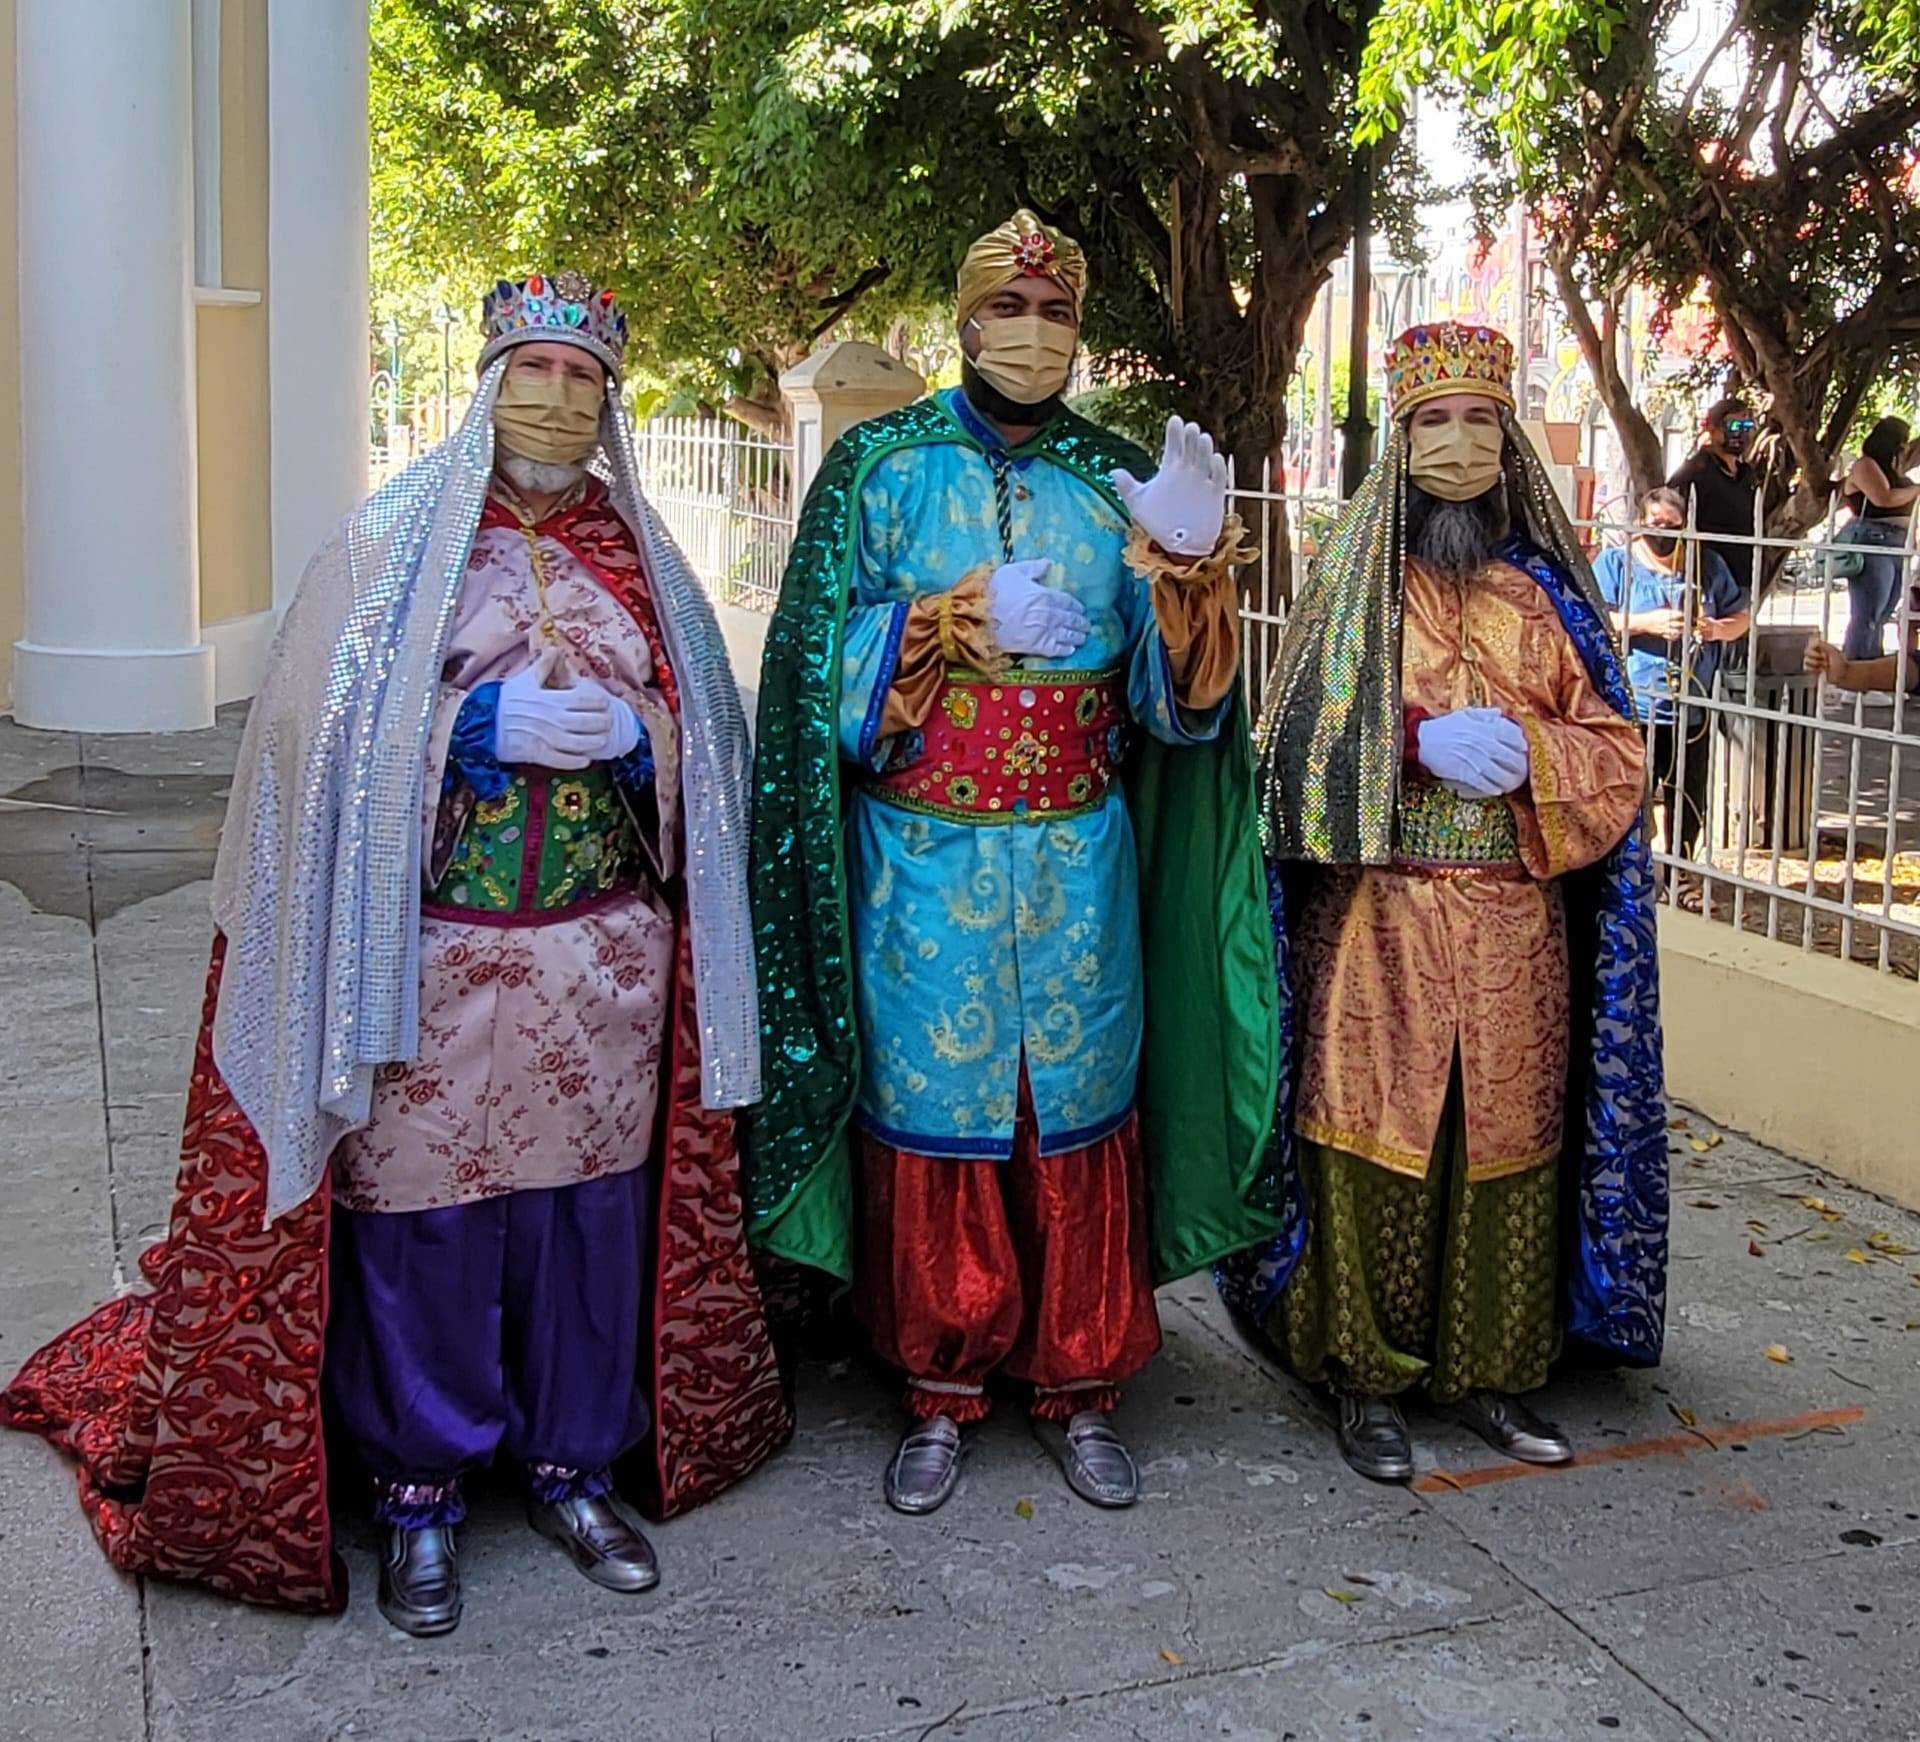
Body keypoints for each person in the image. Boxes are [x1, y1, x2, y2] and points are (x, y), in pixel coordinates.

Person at [1, 272, 792, 1635]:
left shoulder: (645, 568)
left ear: (610, 405)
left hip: (602, 967)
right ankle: (420, 1486)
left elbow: (712, 752)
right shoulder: (388, 548)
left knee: (584, 1230)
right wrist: (460, 736)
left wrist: (644, 744)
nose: (554, 398)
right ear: (488, 384)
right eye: (529, 371)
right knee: (427, 1229)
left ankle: (572, 1459)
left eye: (582, 378)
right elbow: (311, 750)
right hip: (431, 966)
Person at [743, 210, 1284, 1516]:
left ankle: (1079, 1380)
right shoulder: (877, 467)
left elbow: (1177, 715)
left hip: (1079, 858)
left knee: (1071, 1109)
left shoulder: (1114, 477)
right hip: (921, 858)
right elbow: (808, 674)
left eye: (1056, 315)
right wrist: (941, 622)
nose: (1034, 335)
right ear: (966, 323)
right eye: (1010, 311)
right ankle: (940, 1381)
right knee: (940, 1113)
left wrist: (1190, 574)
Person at [1219, 322, 1669, 1483]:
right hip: (1381, 921)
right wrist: (1411, 743)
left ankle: (1493, 1372)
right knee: (1375, 1143)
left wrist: (1533, 753)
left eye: (1480, 421)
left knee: (1502, 1145)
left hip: (1516, 918)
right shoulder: (1352, 590)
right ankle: (1365, 1377)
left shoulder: (1543, 603)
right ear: (1401, 441)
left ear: (1507, 441)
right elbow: (1289, 752)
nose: (1459, 445)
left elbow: (1618, 750)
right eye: (1434, 423)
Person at [1593, 485, 1750, 863]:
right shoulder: (1615, 564)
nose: (1663, 533)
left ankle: (1681, 867)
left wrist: (1717, 629)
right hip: (1634, 705)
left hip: (1690, 707)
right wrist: (1645, 623)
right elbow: (1594, 618)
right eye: (1655, 524)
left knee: (1688, 794)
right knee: (1632, 793)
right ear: (1640, 522)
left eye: (1672, 526)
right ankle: (1632, 867)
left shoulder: (1706, 564)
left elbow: (1741, 617)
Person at [1837, 416, 1919, 661]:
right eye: (1900, 442)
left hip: (1897, 543)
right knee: (1868, 612)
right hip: (1875, 541)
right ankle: (1855, 669)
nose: (1904, 448)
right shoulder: (1866, 465)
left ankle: (1870, 665)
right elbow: (1883, 498)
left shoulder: (1892, 470)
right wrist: (1917, 490)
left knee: (1884, 613)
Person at [1668, 397, 1761, 594]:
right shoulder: (1695, 470)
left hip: (1743, 574)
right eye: (1734, 425)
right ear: (1712, 429)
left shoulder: (1748, 474)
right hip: (1707, 576)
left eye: (1747, 425)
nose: (1741, 433)